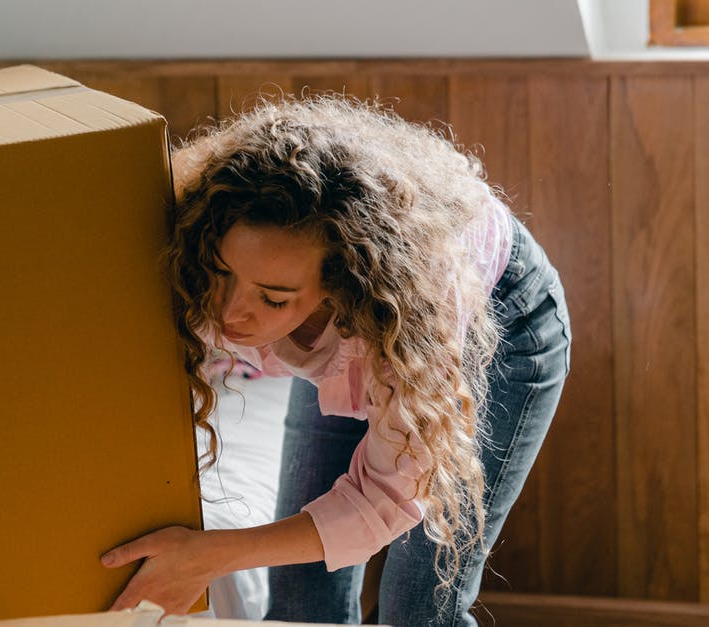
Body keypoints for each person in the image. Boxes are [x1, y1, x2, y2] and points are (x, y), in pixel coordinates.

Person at [100, 94, 570, 626]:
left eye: (272, 298)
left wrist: (212, 555)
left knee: (417, 610)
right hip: (371, 332)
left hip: (502, 320)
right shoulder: (200, 259)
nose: (231, 313)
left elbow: (383, 501)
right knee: (299, 604)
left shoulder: (410, 311)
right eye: (223, 273)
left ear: (339, 288)